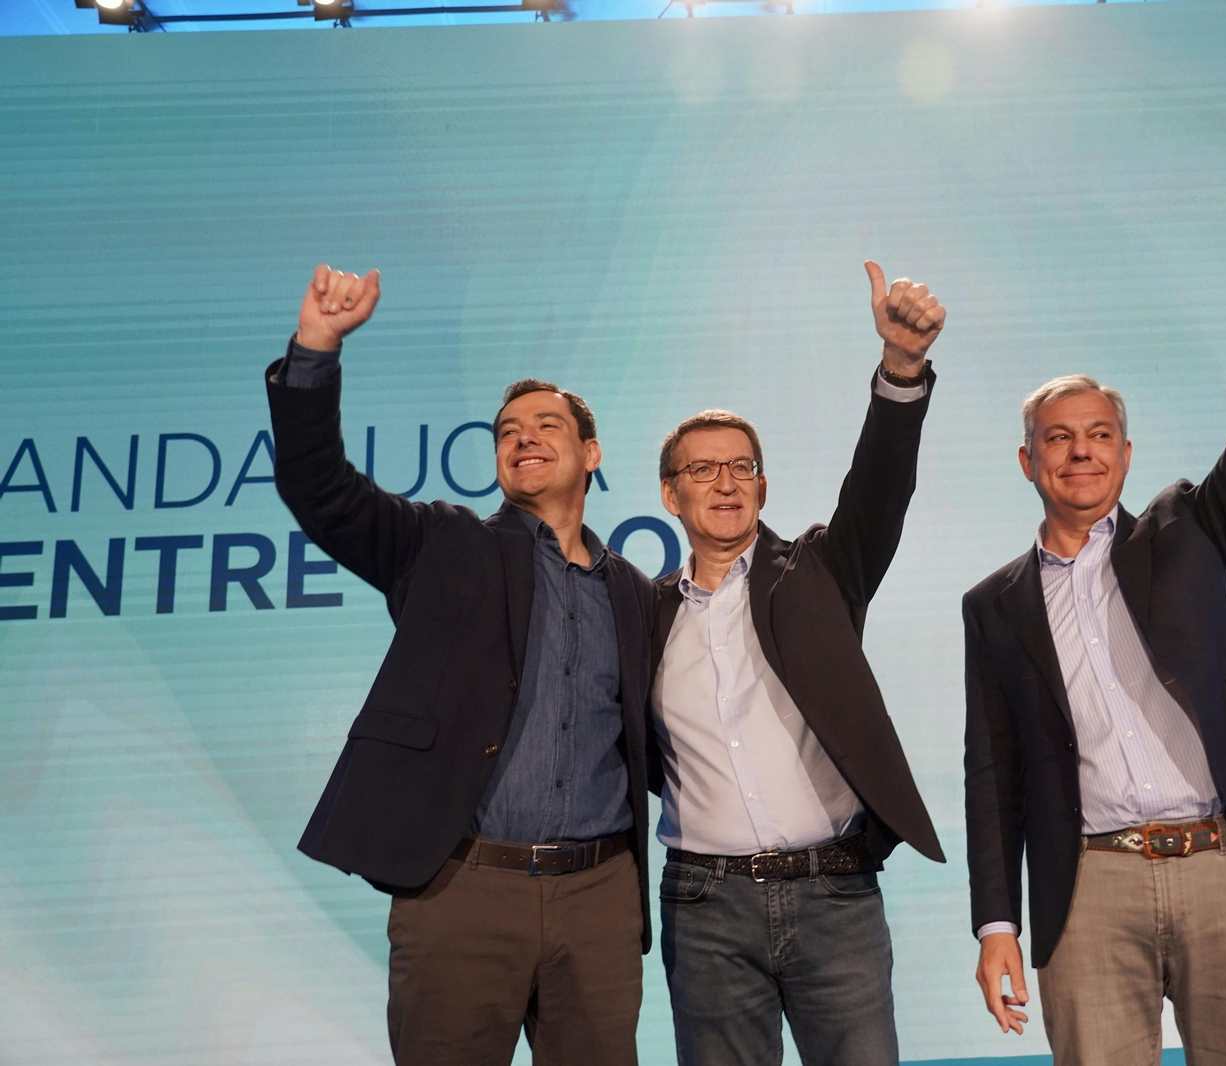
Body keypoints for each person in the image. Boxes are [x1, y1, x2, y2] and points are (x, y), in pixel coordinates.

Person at [963, 204, 1226, 1065]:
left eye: (1099, 436)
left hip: (1223, 863)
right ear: (1028, 461)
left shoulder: (1188, 531)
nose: (1081, 453)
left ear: (1124, 454)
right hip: (1088, 884)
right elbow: (992, 768)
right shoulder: (992, 604)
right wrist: (997, 922)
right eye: (1059, 439)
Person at [264, 265, 656, 1066]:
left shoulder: (638, 594)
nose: (523, 437)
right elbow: (321, 488)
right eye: (508, 430)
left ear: (591, 452)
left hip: (600, 896)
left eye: (546, 424)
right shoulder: (441, 544)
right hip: (462, 891)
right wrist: (317, 348)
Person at [647, 262, 948, 1066]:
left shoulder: (820, 570)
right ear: (670, 495)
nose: (726, 481)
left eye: (741, 466)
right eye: (703, 469)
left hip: (835, 895)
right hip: (704, 904)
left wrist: (902, 369)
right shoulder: (642, 612)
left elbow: (879, 488)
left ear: (764, 485)